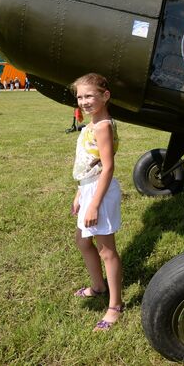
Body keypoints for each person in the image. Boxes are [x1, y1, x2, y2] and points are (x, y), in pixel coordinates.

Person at [70, 73, 125, 330]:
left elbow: (107, 167)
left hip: (101, 194)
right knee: (82, 241)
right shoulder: (91, 125)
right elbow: (89, 165)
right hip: (89, 189)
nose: (84, 101)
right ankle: (98, 286)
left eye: (89, 95)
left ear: (105, 96)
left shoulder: (103, 126)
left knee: (107, 251)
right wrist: (81, 193)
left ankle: (115, 305)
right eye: (80, 96)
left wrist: (93, 203)